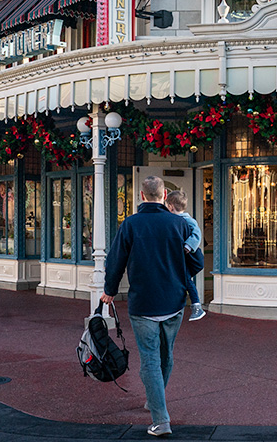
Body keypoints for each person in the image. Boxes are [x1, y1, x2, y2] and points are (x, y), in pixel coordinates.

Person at [102, 176, 203, 438]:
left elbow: (115, 261)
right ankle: (156, 399)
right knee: (166, 354)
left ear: (141, 195)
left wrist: (109, 291)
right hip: (173, 301)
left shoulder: (131, 224)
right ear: (165, 194)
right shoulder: (179, 224)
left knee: (149, 358)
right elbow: (197, 263)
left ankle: (161, 419)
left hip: (143, 303)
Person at [164, 190, 206, 322]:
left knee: (187, 279)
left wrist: (189, 245)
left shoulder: (187, 220)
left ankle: (197, 306)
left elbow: (197, 233)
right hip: (182, 259)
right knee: (184, 279)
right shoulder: (177, 220)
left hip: (188, 258)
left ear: (170, 206)